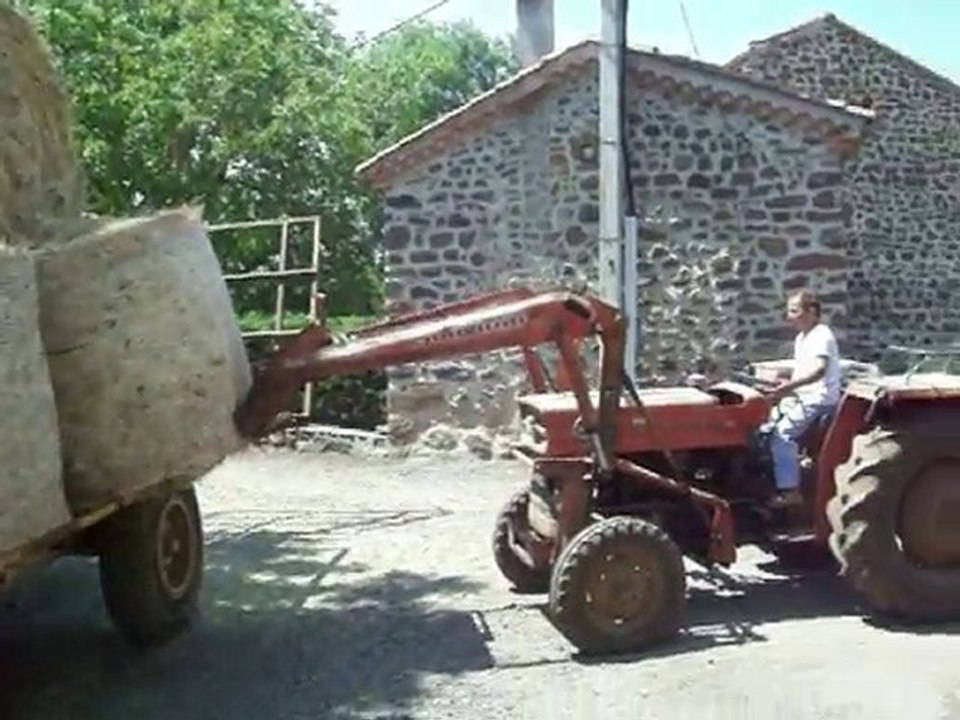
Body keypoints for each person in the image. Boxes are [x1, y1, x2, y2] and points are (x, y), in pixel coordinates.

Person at [765, 290, 842, 507]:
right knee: (763, 426)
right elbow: (802, 372)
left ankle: (790, 492)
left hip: (819, 399)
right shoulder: (802, 337)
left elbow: (819, 371)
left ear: (811, 312)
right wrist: (782, 381)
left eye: (794, 311)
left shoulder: (822, 335)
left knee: (782, 435)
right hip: (802, 395)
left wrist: (789, 386)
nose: (789, 316)